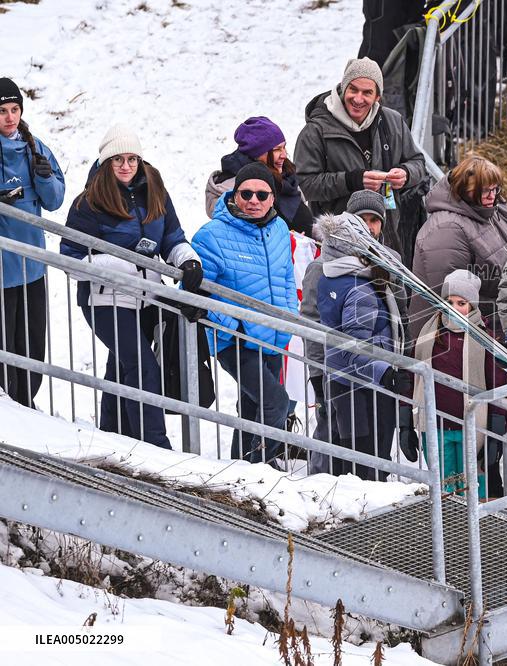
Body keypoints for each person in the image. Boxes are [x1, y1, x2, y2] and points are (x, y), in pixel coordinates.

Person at [60, 126, 202, 449]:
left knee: (121, 365)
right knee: (142, 367)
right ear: (106, 162)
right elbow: (70, 260)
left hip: (146, 297)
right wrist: (119, 264)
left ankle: (111, 433)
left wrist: (188, 261)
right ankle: (155, 448)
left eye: (132, 159)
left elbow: (172, 238)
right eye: (118, 160)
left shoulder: (155, 189)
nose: (126, 166)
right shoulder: (90, 202)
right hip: (105, 300)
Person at [192, 163, 297, 466]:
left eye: (261, 194)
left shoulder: (279, 228)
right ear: (234, 195)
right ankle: (261, 468)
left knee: (252, 407)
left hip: (273, 334)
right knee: (276, 401)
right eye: (246, 193)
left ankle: (241, 469)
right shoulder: (212, 235)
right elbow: (201, 291)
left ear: (272, 198)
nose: (253, 200)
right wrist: (232, 325)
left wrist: (288, 315)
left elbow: (287, 277)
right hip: (235, 339)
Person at [300, 191, 411, 475]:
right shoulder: (323, 267)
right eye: (364, 220)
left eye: (376, 220)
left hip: (383, 369)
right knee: (339, 448)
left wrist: (401, 361)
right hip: (341, 372)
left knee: (378, 451)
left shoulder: (389, 262)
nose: (370, 227)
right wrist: (316, 375)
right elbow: (313, 323)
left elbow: (400, 315)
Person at [295, 58, 427, 266]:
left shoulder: (392, 121)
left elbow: (418, 162)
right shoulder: (316, 130)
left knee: (390, 295)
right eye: (353, 90)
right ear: (342, 88)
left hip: (386, 232)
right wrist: (353, 180)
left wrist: (406, 174)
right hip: (337, 240)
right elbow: (307, 185)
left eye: (367, 93)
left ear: (378, 97)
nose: (358, 99)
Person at [413, 269, 507, 497]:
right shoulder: (429, 333)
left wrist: (496, 428)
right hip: (435, 425)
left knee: (472, 488)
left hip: (473, 427)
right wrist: (405, 421)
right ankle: (447, 530)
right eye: (449, 302)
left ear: (473, 306)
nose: (454, 308)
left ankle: (476, 531)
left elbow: (498, 383)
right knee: (444, 489)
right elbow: (412, 376)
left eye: (462, 303)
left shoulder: (485, 337)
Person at [0, 78, 65, 409]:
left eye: (15, 109)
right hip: (1, 273)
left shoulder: (35, 148)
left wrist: (44, 177)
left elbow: (54, 201)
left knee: (32, 346)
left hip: (32, 269)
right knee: (4, 349)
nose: (10, 118)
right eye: (2, 111)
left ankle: (26, 407)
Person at [409, 154, 507, 337]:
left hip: (498, 322)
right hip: (450, 340)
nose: (492, 196)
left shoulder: (492, 207)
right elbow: (455, 297)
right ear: (463, 189)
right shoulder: (446, 229)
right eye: (485, 191)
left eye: (496, 189)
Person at [205, 117, 313, 235]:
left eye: (284, 147)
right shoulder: (234, 188)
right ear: (257, 153)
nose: (284, 155)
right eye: (277, 149)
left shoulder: (286, 175)